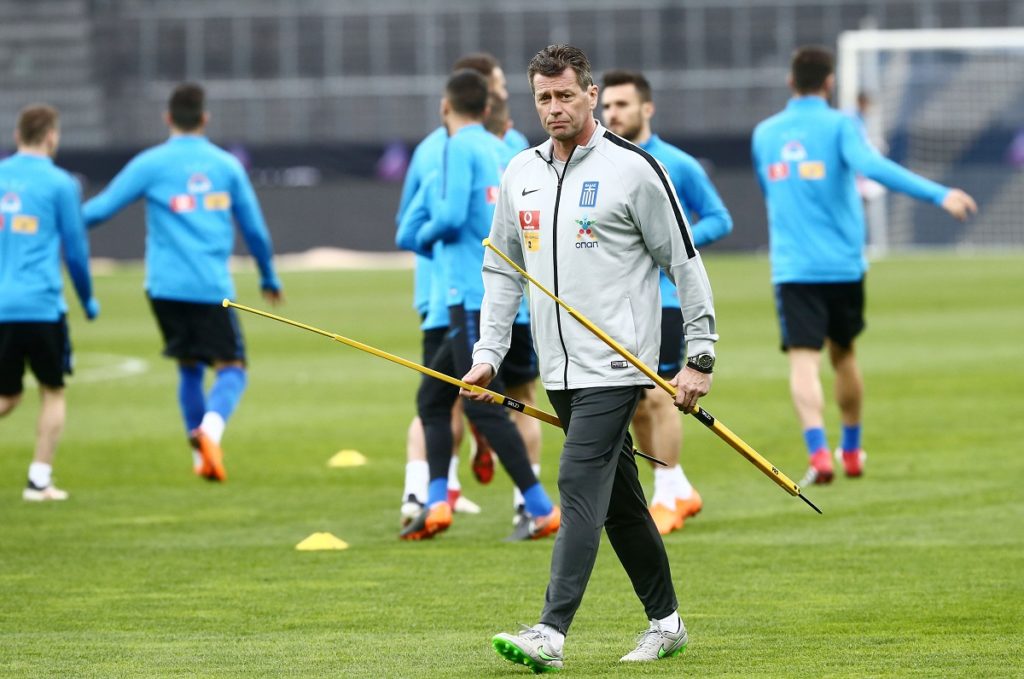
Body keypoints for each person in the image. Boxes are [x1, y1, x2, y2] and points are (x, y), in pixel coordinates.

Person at [464, 44, 718, 670]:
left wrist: (700, 355)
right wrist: (489, 354)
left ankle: (550, 633)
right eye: (543, 97)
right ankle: (667, 624)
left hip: (618, 366)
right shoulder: (518, 172)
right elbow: (502, 270)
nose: (554, 107)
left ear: (590, 95)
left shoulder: (636, 169)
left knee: (578, 482)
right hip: (557, 368)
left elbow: (684, 263)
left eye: (565, 95)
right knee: (622, 504)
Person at [752, 46, 977, 485]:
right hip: (842, 264)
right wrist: (939, 194)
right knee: (844, 354)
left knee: (803, 361)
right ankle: (852, 451)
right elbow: (872, 166)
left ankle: (819, 453)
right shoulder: (842, 125)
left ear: (790, 81)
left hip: (794, 267)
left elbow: (768, 188)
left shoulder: (764, 134)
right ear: (830, 82)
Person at [83, 83, 282, 483]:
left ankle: (199, 459)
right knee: (232, 368)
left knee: (189, 368)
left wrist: (55, 226)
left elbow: (100, 210)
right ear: (204, 118)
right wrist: (267, 275)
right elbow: (254, 230)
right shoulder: (225, 165)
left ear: (168, 118)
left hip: (164, 288)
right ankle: (210, 433)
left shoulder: (150, 164)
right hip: (210, 287)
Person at [399, 69, 560, 542]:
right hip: (512, 294)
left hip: (469, 295)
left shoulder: (454, 147)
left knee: (481, 403)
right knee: (434, 398)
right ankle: (437, 502)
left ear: (445, 107)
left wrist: (424, 237)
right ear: (488, 109)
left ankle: (539, 507)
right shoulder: (506, 150)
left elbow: (445, 219)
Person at [600, 69, 733, 536]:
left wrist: (671, 245)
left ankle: (667, 493)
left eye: (621, 105)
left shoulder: (676, 163)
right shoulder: (601, 163)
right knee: (635, 401)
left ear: (647, 108)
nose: (612, 113)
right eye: (607, 106)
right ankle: (676, 487)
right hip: (617, 302)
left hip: (666, 299)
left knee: (659, 395)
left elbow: (719, 217)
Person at [0, 104, 99, 501]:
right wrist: (87, 299)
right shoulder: (61, 184)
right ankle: (39, 480)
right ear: (52, 136)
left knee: (7, 397)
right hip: (41, 305)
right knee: (52, 390)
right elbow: (75, 252)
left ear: (17, 136)